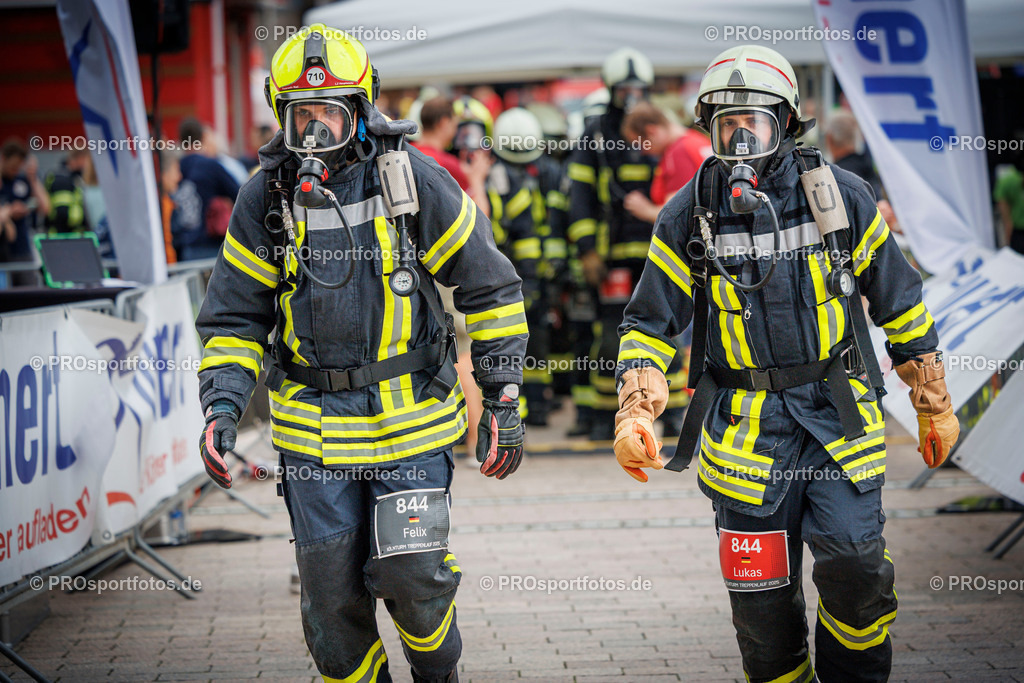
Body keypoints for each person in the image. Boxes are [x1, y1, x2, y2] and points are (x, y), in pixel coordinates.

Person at [613, 45, 959, 683]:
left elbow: (899, 301)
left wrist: (931, 398)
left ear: (787, 123)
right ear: (708, 131)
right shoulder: (690, 211)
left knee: (857, 572)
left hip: (838, 426)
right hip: (743, 437)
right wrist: (638, 408)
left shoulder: (843, 197)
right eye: (726, 125)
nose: (741, 139)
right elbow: (650, 321)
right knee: (762, 611)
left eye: (756, 123)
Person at [194, 24, 528, 683]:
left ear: (363, 106)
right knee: (331, 607)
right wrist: (223, 405)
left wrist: (503, 397)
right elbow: (234, 316)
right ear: (280, 114)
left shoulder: (411, 181)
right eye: (301, 114)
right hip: (313, 439)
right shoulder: (265, 198)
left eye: (331, 111)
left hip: (410, 432)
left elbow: (490, 286)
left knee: (414, 576)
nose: (315, 128)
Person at [566, 49, 686, 441]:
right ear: (612, 89)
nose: (632, 95)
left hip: (661, 254)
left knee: (668, 329)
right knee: (611, 335)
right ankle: (607, 417)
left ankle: (675, 413)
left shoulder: (658, 126)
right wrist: (587, 249)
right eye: (625, 88)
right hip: (613, 253)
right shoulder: (597, 132)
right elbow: (580, 195)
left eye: (639, 88)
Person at [621, 101, 712, 223]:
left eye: (640, 144)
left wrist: (646, 210)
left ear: (651, 131)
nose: (642, 152)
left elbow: (678, 214)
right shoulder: (696, 140)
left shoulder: (678, 153)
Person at [174, 118, 241, 260]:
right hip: (210, 245)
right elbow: (240, 194)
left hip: (181, 246)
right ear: (203, 137)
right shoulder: (211, 166)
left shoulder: (174, 167)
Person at [0, 138, 50, 286]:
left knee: (29, 293)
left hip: (23, 250)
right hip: (3, 253)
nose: (14, 170)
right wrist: (9, 210)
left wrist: (33, 178)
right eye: (12, 166)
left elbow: (45, 208)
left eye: (18, 167)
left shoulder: (22, 180)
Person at [44, 147, 90, 234]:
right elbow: (62, 212)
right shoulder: (61, 178)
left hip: (71, 234)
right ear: (80, 158)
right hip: (62, 235)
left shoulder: (73, 177)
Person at [994, 155, 1024, 255]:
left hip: (1017, 232)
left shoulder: (1006, 180)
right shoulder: (1009, 181)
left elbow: (1005, 215)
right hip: (1018, 231)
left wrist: (1007, 238)